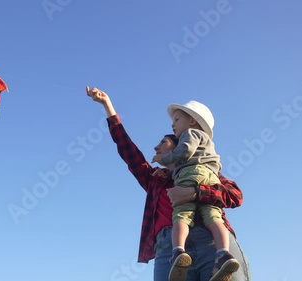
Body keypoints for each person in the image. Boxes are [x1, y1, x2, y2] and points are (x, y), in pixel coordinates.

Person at [85, 86, 251, 281]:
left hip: (212, 241)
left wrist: (194, 192)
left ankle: (222, 260)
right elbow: (127, 149)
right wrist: (108, 106)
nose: (156, 146)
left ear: (179, 145)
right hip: (170, 248)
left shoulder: (206, 170)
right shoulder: (154, 179)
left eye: (163, 142)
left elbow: (235, 195)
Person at [151, 101, 239, 281]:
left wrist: (164, 159)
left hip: (191, 174)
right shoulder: (207, 145)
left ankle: (178, 252)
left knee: (182, 215)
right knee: (215, 217)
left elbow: (184, 151)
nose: (172, 124)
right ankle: (223, 255)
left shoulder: (190, 135)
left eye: (176, 119)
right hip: (210, 176)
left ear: (192, 121)